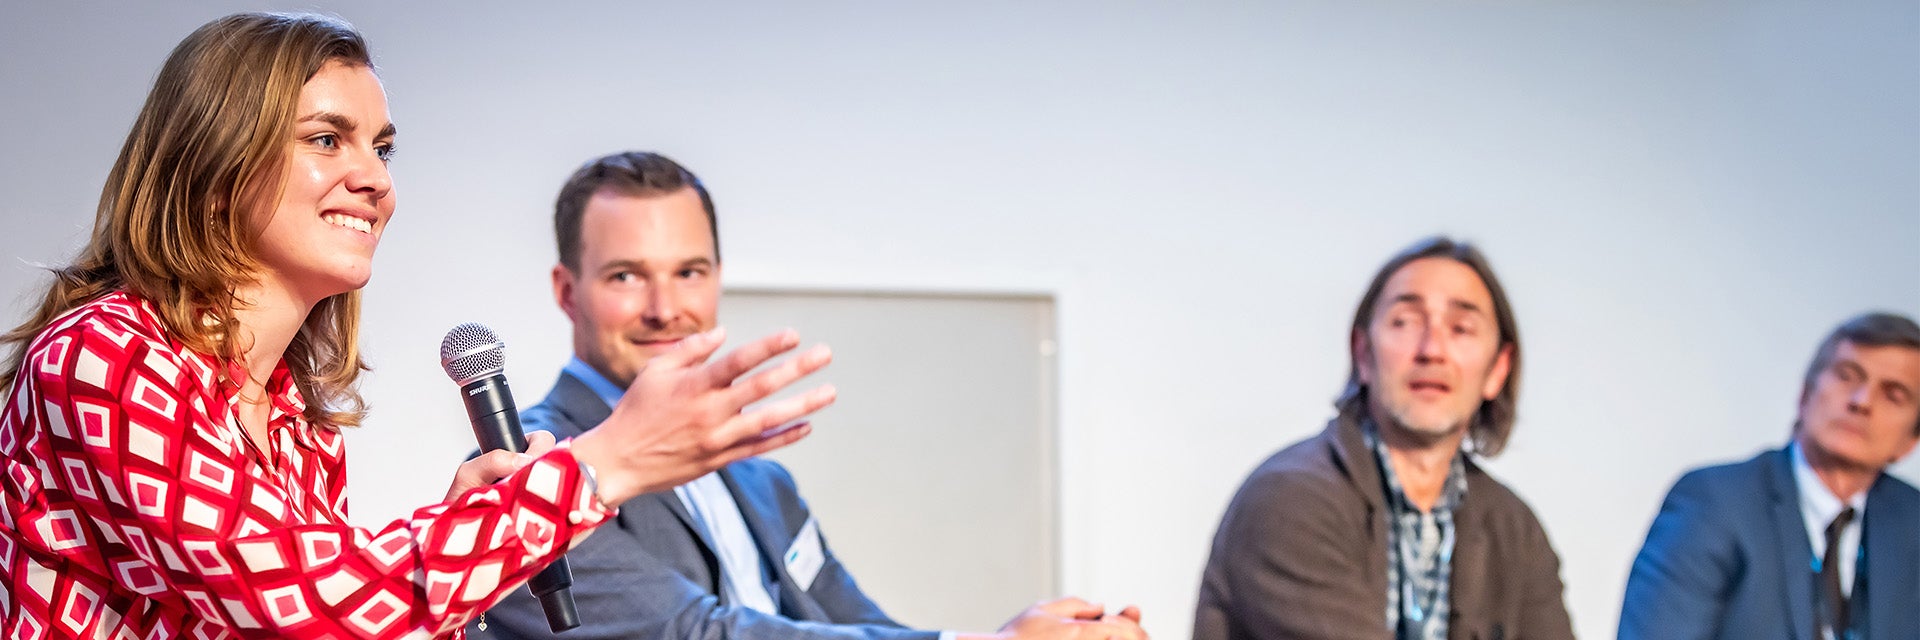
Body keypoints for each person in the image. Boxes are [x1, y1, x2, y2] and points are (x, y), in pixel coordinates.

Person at [0, 13, 832, 640]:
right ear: (215, 168)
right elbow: (303, 610)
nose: (375, 179)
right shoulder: (104, 357)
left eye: (383, 148)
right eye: (327, 139)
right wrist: (603, 464)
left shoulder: (293, 419)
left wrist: (463, 525)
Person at [471, 151, 1146, 640]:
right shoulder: (526, 475)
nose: (665, 307)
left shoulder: (762, 482)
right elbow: (691, 633)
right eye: (626, 276)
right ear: (567, 291)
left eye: (690, 272)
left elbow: (861, 626)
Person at [1192, 236, 1574, 640]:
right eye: (1404, 322)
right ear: (1362, 354)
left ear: (1498, 369)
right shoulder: (1287, 499)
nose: (1432, 350)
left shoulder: (1515, 529)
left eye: (1461, 328)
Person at [1618, 312, 1920, 640]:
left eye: (1893, 395)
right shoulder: (1715, 502)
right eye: (1847, 376)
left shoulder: (1911, 522)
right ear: (1805, 395)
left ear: (1911, 441)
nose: (1861, 401)